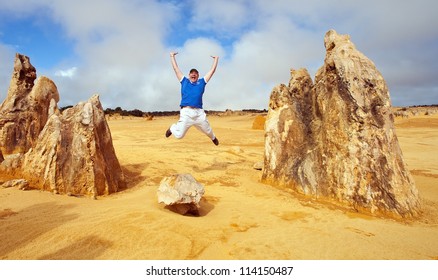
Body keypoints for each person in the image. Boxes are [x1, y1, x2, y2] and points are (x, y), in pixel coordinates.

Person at [165, 52, 220, 145]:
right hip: (186, 112)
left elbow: (212, 71)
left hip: (199, 113)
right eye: (192, 73)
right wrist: (172, 56)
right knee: (179, 135)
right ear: (189, 75)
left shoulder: (202, 82)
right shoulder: (184, 81)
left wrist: (216, 59)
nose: (193, 75)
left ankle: (213, 138)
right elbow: (176, 69)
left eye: (196, 74)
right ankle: (172, 128)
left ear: (198, 76)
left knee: (208, 130)